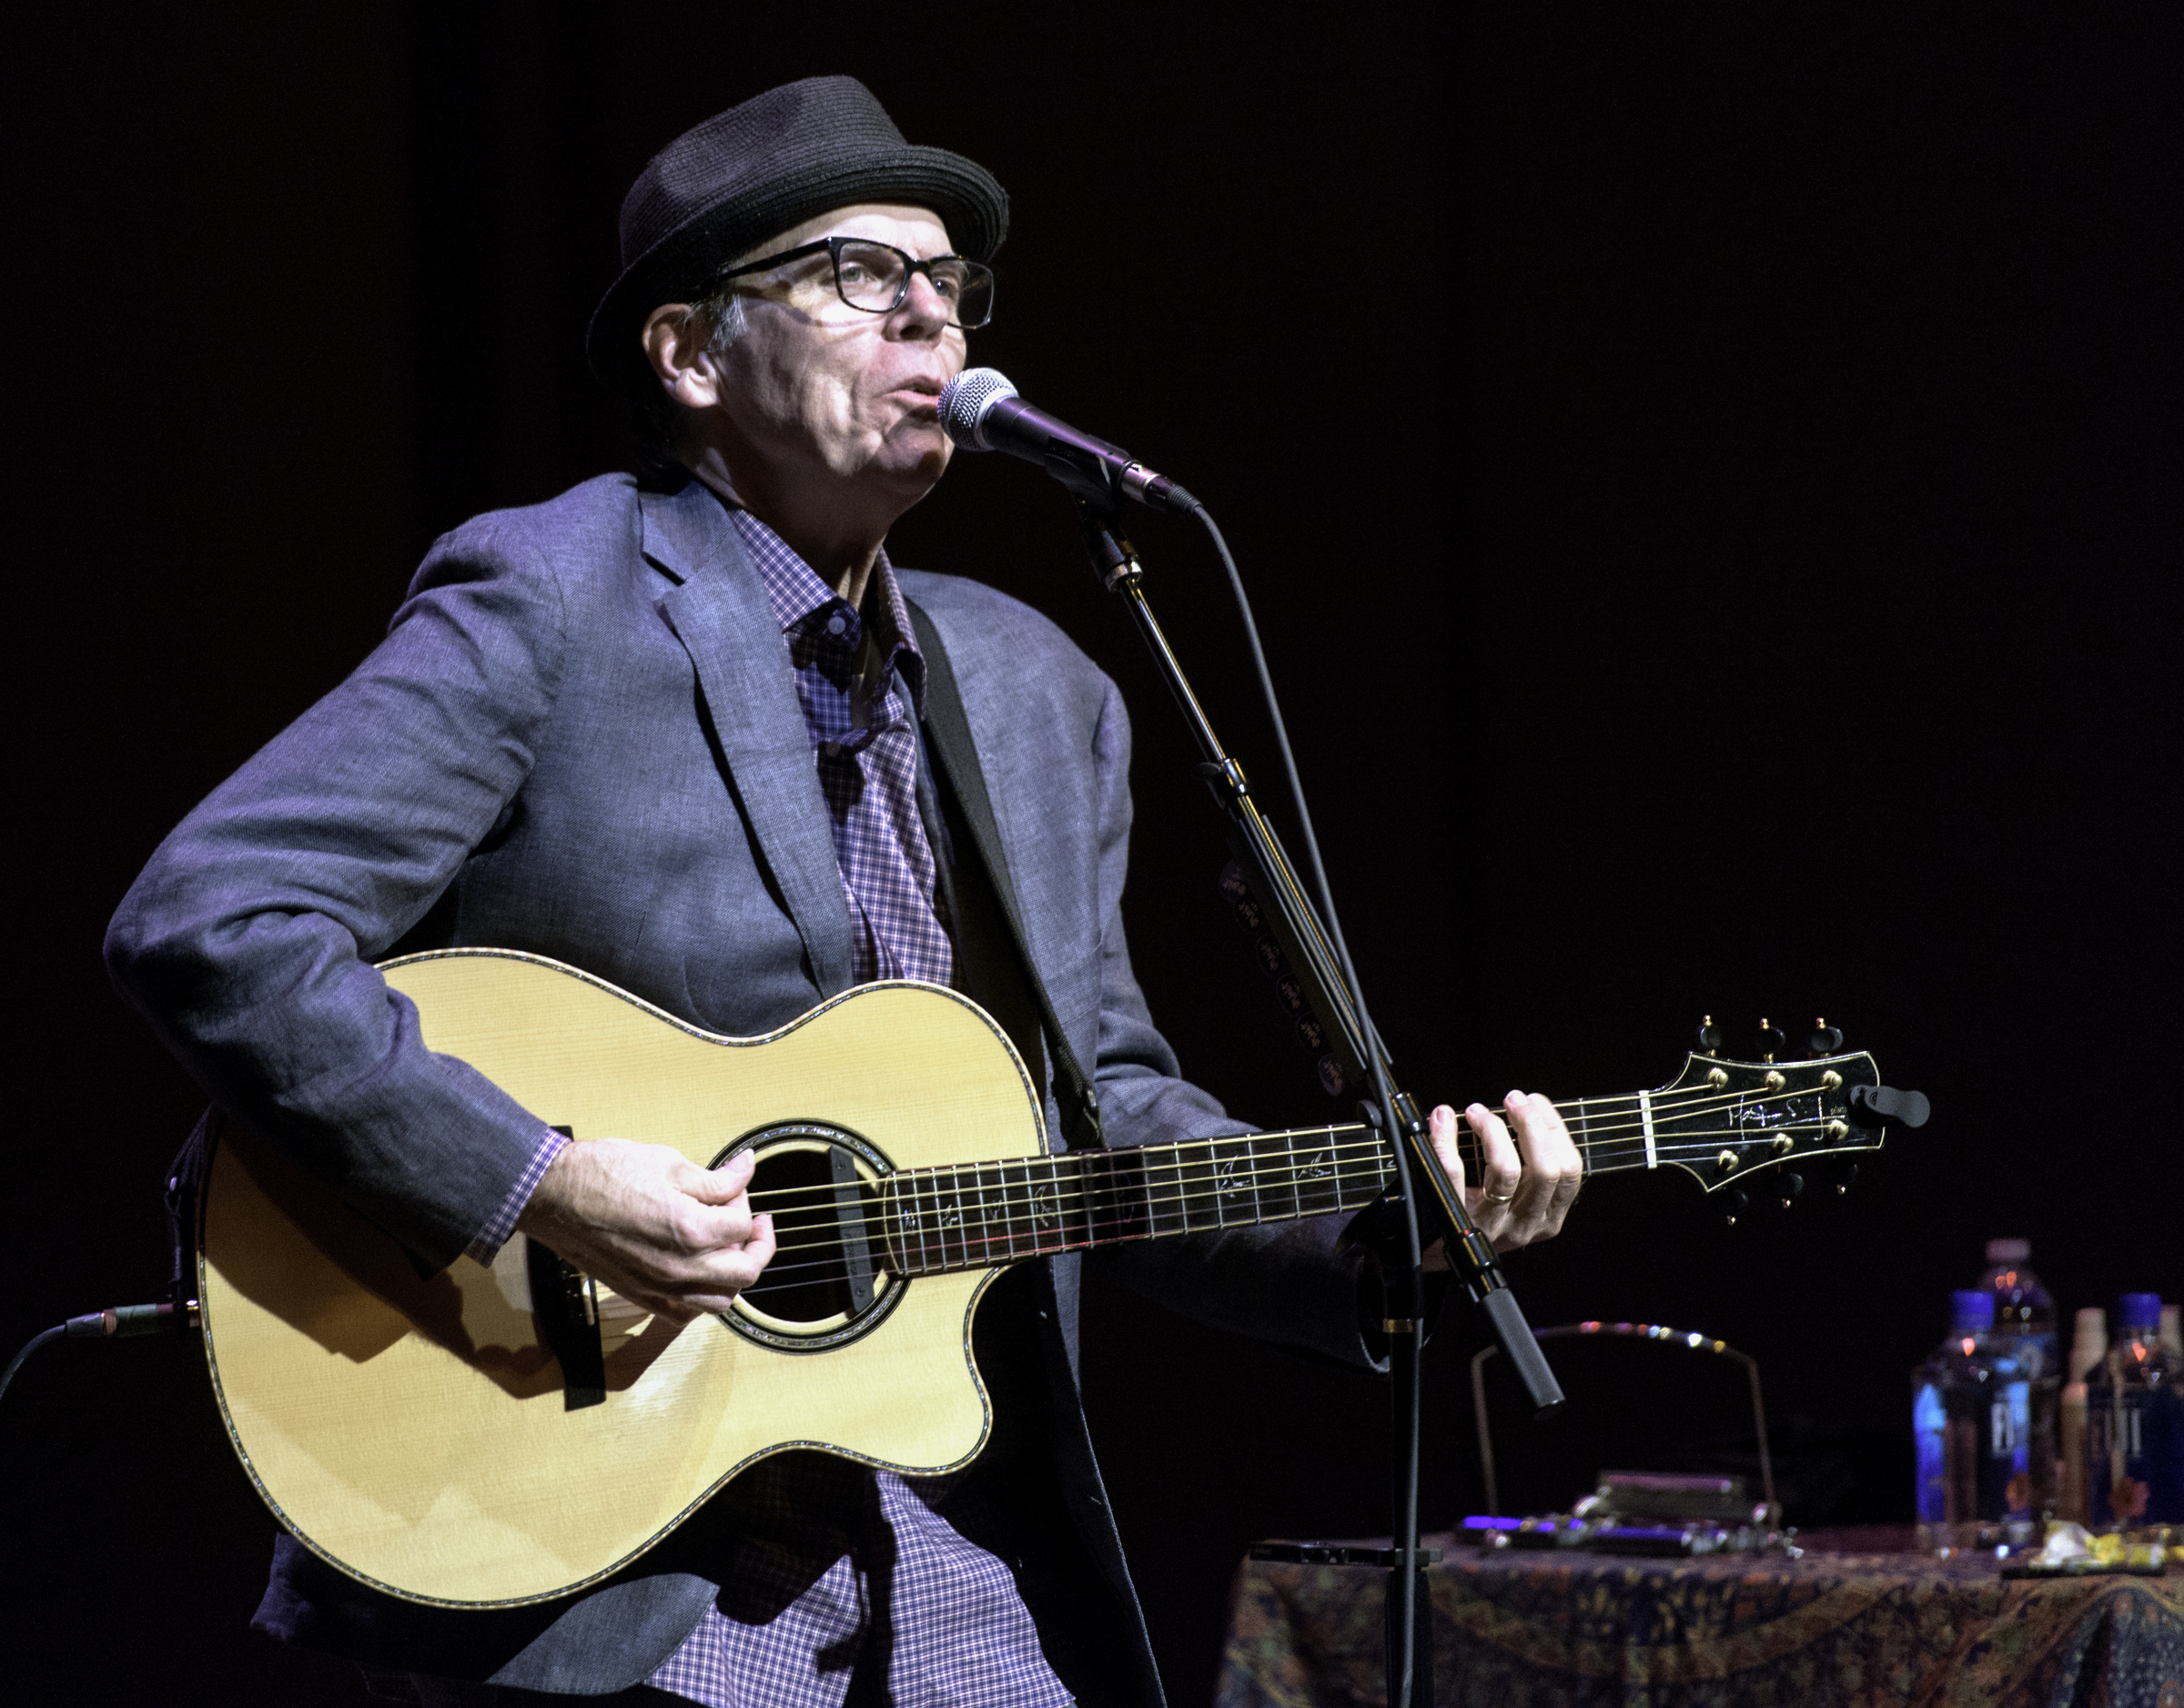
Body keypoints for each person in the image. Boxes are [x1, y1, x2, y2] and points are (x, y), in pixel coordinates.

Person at [106, 76, 1581, 1707]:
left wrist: (1382, 1235)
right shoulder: (549, 600)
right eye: (863, 275)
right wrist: (533, 1179)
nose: (933, 319)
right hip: (611, 1576)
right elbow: (218, 919)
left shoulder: (1041, 687)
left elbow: (1106, 1123)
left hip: (955, 1570)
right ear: (690, 354)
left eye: (954, 287)